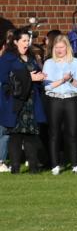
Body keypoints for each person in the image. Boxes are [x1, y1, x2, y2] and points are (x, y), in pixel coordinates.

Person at [2, 30, 48, 173]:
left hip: (31, 101)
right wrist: (29, 77)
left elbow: (35, 75)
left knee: (31, 135)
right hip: (15, 102)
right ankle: (15, 168)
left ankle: (34, 168)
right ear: (15, 42)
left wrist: (40, 77)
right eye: (24, 40)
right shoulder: (8, 58)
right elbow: (4, 79)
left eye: (28, 40)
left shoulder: (31, 58)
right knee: (15, 136)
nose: (27, 43)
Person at [42, 35, 77, 173]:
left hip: (71, 99)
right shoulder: (49, 63)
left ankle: (75, 166)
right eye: (57, 47)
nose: (59, 50)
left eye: (62, 47)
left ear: (67, 47)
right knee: (54, 133)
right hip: (54, 100)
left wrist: (70, 79)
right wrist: (62, 80)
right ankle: (55, 166)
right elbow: (47, 86)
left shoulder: (76, 62)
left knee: (72, 133)